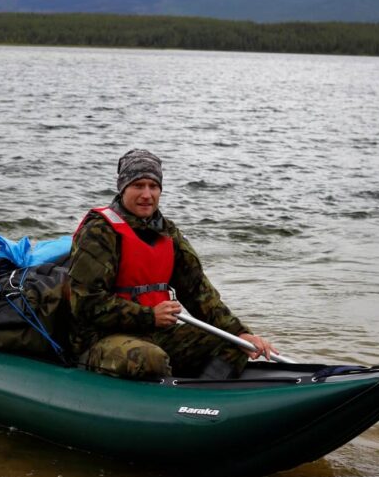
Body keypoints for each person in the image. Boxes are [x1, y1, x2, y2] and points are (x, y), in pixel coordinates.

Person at [68, 148, 275, 380]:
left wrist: (240, 333)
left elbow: (199, 292)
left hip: (156, 333)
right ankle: (160, 404)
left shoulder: (168, 233)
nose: (147, 194)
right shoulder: (98, 232)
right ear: (123, 188)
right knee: (150, 359)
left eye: (153, 186)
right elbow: (85, 303)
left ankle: (204, 400)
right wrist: (147, 316)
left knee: (231, 344)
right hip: (100, 338)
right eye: (138, 185)